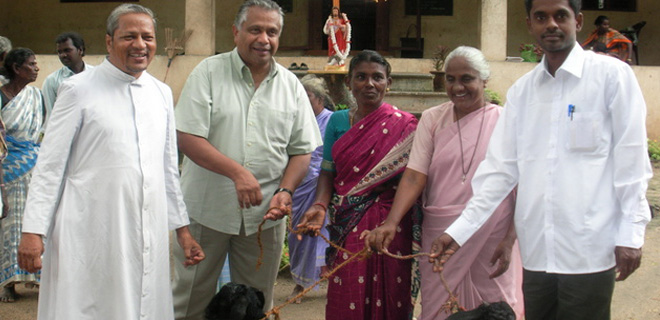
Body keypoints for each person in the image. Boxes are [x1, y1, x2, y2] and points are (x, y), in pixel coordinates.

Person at [433, 1, 652, 319]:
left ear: (577, 21)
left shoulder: (611, 77)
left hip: (589, 248)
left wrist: (632, 233)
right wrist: (459, 231)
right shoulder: (522, 93)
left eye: (560, 15)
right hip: (537, 253)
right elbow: (499, 170)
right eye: (541, 17)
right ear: (529, 24)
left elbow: (631, 160)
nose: (551, 24)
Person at [16, 4, 205, 319]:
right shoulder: (77, 90)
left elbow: (169, 171)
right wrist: (33, 231)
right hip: (90, 229)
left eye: (147, 37)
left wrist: (182, 231)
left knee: (143, 304)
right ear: (108, 42)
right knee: (91, 305)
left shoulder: (160, 94)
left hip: (148, 228)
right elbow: (49, 166)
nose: (140, 45)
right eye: (129, 36)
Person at [171, 0, 322, 318]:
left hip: (264, 219)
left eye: (272, 31)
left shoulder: (291, 86)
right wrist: (237, 173)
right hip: (205, 211)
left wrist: (286, 191)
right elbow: (187, 137)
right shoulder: (208, 73)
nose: (264, 39)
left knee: (255, 306)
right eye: (255, 29)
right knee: (187, 301)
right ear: (236, 32)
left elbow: (301, 150)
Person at [365, 46, 523, 320]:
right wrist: (391, 221)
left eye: (467, 79)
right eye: (450, 79)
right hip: (440, 231)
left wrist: (510, 240)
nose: (457, 87)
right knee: (439, 306)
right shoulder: (432, 119)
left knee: (498, 306)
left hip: (493, 232)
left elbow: (520, 186)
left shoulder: (506, 121)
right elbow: (415, 174)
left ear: (484, 80)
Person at [298, 50, 419, 320]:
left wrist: (392, 219)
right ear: (349, 83)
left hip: (391, 223)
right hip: (348, 222)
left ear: (389, 83)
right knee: (347, 287)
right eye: (361, 77)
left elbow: (413, 178)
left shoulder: (405, 125)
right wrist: (320, 204)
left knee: (392, 290)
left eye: (378, 77)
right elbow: (327, 172)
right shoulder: (338, 122)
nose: (369, 84)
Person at [0, 48, 43, 303]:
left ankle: (36, 276)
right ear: (17, 69)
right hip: (8, 171)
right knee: (9, 228)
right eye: (31, 64)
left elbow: (43, 131)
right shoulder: (2, 97)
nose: (36, 68)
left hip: (35, 168)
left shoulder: (36, 97)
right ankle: (7, 282)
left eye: (37, 63)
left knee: (37, 223)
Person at [287, 74, 334, 303]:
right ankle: (299, 279)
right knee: (296, 234)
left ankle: (306, 284)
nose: (304, 101)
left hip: (320, 185)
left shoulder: (331, 120)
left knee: (316, 235)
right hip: (297, 184)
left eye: (308, 96)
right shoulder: (297, 119)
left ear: (320, 98)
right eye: (301, 96)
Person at [41, 32, 93, 126]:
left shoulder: (96, 75)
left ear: (80, 50)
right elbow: (51, 115)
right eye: (59, 52)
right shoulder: (52, 81)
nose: (63, 55)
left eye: (67, 50)